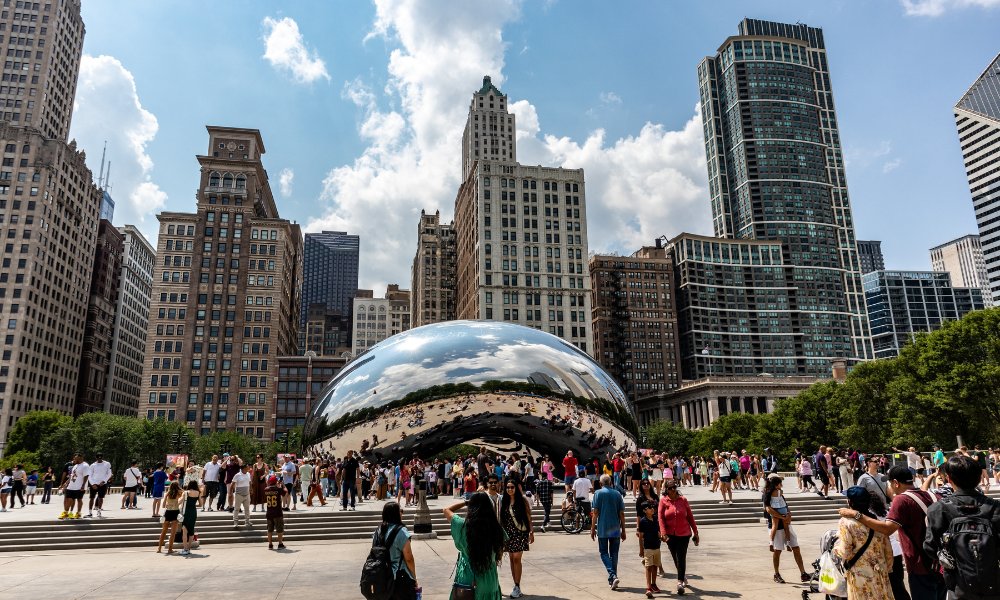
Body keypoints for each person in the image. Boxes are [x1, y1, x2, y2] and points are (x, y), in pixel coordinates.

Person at [841, 465, 946, 600]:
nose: (889, 487)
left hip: (920, 564)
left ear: (896, 483)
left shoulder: (901, 500)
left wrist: (857, 515)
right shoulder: (931, 495)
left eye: (890, 483)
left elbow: (887, 529)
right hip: (940, 563)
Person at [924, 455, 1000, 599]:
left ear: (949, 479)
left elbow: (930, 548)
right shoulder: (995, 507)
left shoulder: (938, 509)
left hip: (958, 584)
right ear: (979, 478)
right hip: (993, 582)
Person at [834, 487, 894, 599]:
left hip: (860, 574)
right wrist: (887, 568)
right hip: (879, 571)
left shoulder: (846, 522)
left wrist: (835, 548)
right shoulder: (875, 521)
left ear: (850, 502)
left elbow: (845, 552)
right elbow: (888, 549)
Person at [444, 493, 504, 599]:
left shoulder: (462, 525)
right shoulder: (496, 529)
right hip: (489, 580)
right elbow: (499, 554)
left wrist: (466, 502)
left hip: (467, 579)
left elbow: (446, 510)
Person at [762, 474, 809, 584]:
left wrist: (789, 515)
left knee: (796, 547)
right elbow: (768, 509)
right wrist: (781, 516)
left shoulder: (779, 493)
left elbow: (785, 505)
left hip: (786, 523)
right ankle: (776, 573)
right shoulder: (766, 494)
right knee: (777, 550)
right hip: (775, 525)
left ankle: (803, 573)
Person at [658, 480, 699, 595]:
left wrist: (695, 531)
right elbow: (661, 518)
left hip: (684, 534)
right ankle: (683, 575)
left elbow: (690, 516)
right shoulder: (663, 501)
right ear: (666, 489)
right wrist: (663, 532)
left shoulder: (683, 500)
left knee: (681, 557)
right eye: (670, 488)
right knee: (675, 557)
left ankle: (680, 582)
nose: (673, 490)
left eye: (674, 487)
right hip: (670, 535)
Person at [373, 501, 419, 599]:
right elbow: (409, 558)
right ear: (396, 514)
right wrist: (414, 577)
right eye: (400, 511)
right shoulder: (401, 531)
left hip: (381, 577)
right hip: (399, 578)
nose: (401, 513)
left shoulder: (377, 531)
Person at [591, 473, 626, 590]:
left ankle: (612, 575)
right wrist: (624, 530)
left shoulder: (598, 493)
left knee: (604, 553)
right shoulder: (617, 494)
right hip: (615, 527)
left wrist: (592, 528)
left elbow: (595, 512)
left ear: (601, 483)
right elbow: (621, 513)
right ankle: (613, 578)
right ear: (611, 482)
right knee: (614, 553)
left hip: (602, 527)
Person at [500, 475, 533, 598]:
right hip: (508, 534)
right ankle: (516, 585)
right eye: (507, 487)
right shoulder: (504, 501)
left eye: (512, 487)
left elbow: (529, 516)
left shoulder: (522, 501)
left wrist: (531, 532)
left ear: (516, 488)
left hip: (520, 533)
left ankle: (517, 585)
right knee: (511, 559)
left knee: (516, 559)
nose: (510, 489)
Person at [637, 501, 662, 598]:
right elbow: (641, 536)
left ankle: (654, 584)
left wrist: (662, 537)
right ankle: (648, 587)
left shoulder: (655, 519)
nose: (652, 509)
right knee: (648, 567)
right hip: (648, 547)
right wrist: (641, 549)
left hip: (657, 546)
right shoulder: (643, 521)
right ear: (644, 510)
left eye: (652, 507)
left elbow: (658, 532)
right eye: (649, 508)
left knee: (655, 566)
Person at [59, 453, 89, 520]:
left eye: (76, 458)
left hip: (79, 486)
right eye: (74, 458)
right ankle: (65, 513)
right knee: (68, 499)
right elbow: (72, 475)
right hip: (71, 486)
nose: (74, 459)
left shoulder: (85, 465)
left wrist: (83, 486)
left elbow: (86, 476)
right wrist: (66, 483)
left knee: (79, 499)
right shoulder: (75, 466)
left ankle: (78, 513)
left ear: (80, 459)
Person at [157, 481, 183, 554]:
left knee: (163, 531)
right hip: (175, 512)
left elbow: (163, 505)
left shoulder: (168, 493)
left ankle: (159, 549)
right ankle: (170, 549)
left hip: (168, 512)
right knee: (173, 533)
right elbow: (183, 496)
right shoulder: (179, 493)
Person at [264, 475, 287, 550]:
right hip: (277, 512)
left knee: (269, 530)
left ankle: (270, 544)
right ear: (276, 482)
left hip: (269, 512)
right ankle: (280, 544)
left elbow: (268, 488)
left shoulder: (266, 489)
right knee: (279, 529)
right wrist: (283, 485)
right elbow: (285, 492)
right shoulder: (278, 489)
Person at [179, 479, 201, 556]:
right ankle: (188, 548)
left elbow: (179, 502)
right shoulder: (198, 493)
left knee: (184, 531)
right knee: (191, 531)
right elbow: (200, 504)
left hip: (186, 512)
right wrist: (193, 505)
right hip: (193, 512)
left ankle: (185, 549)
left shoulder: (186, 493)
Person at [87, 454, 112, 518]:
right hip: (94, 484)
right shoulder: (92, 465)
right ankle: (90, 512)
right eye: (98, 458)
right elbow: (89, 475)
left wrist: (104, 481)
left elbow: (109, 473)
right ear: (96, 458)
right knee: (91, 498)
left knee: (100, 498)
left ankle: (99, 511)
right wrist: (92, 484)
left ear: (102, 458)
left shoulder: (107, 464)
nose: (99, 459)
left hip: (103, 484)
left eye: (100, 458)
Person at [232, 462, 252, 529]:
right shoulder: (237, 475)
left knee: (247, 509)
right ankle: (235, 522)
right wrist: (230, 492)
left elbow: (250, 482)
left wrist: (251, 490)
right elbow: (232, 484)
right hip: (239, 494)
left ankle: (247, 521)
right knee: (237, 509)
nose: (248, 468)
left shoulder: (248, 474)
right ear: (243, 468)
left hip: (247, 494)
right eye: (247, 467)